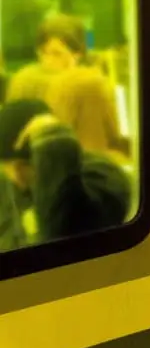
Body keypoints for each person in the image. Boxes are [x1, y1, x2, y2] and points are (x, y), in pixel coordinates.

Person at [0, 98, 131, 251]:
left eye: (21, 167)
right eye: (6, 169)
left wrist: (53, 140)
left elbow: (62, 233)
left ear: (43, 155)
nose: (16, 179)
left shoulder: (101, 174)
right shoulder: (10, 187)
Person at [6, 14, 89, 103]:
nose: (47, 61)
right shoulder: (24, 83)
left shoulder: (89, 87)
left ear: (77, 54)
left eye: (57, 54)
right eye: (43, 53)